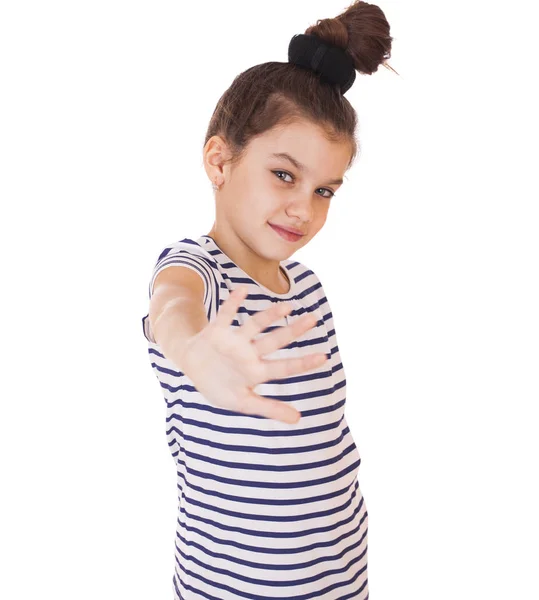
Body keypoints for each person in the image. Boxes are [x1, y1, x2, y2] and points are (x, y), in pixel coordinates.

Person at [142, 2, 395, 597]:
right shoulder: (197, 269)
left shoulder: (307, 287)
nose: (304, 210)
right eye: (284, 174)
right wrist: (194, 346)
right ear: (220, 160)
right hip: (231, 586)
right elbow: (170, 305)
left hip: (339, 575)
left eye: (325, 190)